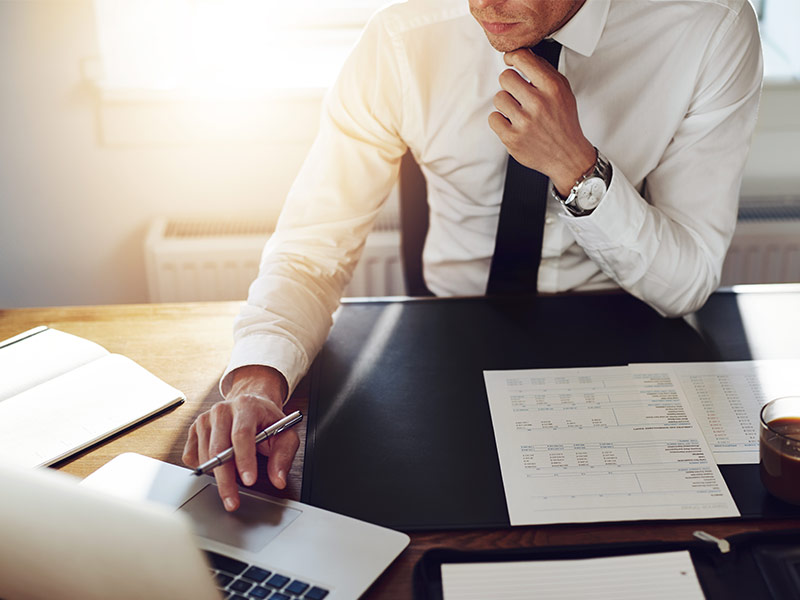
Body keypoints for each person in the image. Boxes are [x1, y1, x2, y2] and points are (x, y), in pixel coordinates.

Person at [183, 0, 763, 511]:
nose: (482, 2)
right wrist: (258, 380)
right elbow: (313, 248)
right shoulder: (401, 37)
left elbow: (686, 283)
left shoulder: (709, 25)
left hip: (627, 342)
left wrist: (576, 168)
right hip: (441, 347)